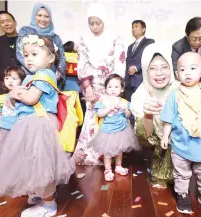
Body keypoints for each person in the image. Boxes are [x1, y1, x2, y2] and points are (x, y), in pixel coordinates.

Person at [0, 35, 75, 217]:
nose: (28, 58)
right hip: (29, 125)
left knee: (40, 164)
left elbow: (30, 98)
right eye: (26, 55)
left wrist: (14, 93)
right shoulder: (31, 77)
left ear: (51, 58)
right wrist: (14, 96)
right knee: (32, 162)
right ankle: (40, 192)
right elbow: (16, 105)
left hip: (39, 125)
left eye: (34, 54)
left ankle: (49, 204)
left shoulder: (45, 74)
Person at [161, 52, 201, 215]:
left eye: (192, 68)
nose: (187, 73)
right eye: (183, 70)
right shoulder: (174, 95)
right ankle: (182, 194)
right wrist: (165, 135)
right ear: (177, 75)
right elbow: (168, 118)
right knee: (181, 172)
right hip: (180, 143)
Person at [72, 2, 126, 165]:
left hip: (110, 85)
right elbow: (81, 64)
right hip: (92, 87)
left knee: (109, 117)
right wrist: (87, 87)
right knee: (92, 116)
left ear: (104, 20)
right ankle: (89, 154)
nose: (94, 27)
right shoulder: (83, 39)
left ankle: (109, 154)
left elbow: (120, 62)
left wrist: (115, 87)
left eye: (98, 23)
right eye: (91, 23)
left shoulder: (115, 38)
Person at [130, 43, 179, 188]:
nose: (159, 73)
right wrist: (148, 114)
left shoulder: (180, 89)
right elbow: (145, 136)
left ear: (171, 67)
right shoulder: (140, 95)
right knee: (140, 128)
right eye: (152, 68)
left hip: (183, 145)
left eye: (164, 67)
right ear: (145, 70)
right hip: (157, 141)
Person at [90, 74, 140, 181]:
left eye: (116, 87)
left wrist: (125, 109)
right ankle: (107, 169)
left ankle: (118, 166)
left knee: (119, 151)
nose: (113, 89)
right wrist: (108, 108)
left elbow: (128, 116)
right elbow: (99, 114)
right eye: (110, 87)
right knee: (107, 153)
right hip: (107, 131)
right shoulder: (103, 101)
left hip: (121, 130)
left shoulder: (124, 102)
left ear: (122, 89)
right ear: (106, 89)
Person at [16, 3, 66, 88]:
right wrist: (38, 73)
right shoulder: (25, 31)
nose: (43, 19)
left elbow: (62, 58)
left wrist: (58, 75)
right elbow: (20, 53)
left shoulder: (56, 38)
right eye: (39, 15)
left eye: (47, 16)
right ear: (34, 16)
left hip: (51, 77)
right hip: (29, 75)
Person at [0, 66, 25, 158]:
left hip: (20, 132)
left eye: (14, 78)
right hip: (5, 131)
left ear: (22, 80)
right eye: (7, 78)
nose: (10, 81)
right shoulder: (1, 98)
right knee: (5, 155)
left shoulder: (25, 98)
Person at [0, 11, 19, 94]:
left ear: (15, 22)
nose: (6, 24)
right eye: (2, 22)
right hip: (5, 84)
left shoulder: (25, 39)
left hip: (24, 81)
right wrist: (6, 75)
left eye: (8, 21)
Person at [125, 20, 155, 101]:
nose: (133, 29)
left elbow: (150, 58)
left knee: (140, 108)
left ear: (143, 29)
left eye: (136, 26)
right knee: (129, 108)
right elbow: (127, 64)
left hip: (141, 81)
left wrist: (136, 68)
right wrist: (125, 81)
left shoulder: (149, 42)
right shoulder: (130, 47)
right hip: (129, 84)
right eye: (132, 27)